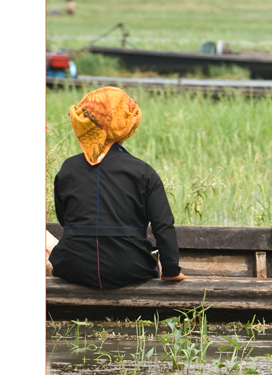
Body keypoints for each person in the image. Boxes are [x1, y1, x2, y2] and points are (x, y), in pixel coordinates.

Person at [49, 87, 186, 289]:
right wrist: (171, 270)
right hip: (131, 268)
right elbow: (163, 225)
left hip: (72, 267)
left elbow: (64, 220)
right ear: (124, 125)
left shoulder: (67, 169)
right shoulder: (143, 171)